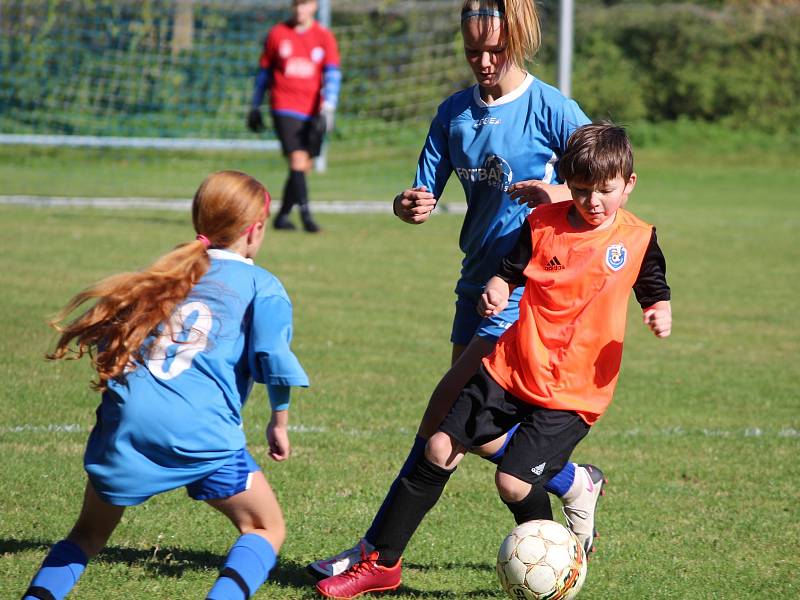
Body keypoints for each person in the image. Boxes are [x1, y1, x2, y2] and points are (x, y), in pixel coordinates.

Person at [308, 0, 601, 581]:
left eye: (495, 51)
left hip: (523, 292)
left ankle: (375, 556)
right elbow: (422, 190)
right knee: (475, 431)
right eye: (474, 52)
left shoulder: (552, 108)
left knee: (443, 418)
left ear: (516, 42)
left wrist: (558, 199)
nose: (484, 61)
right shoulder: (454, 114)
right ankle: (570, 492)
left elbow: (605, 193)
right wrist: (408, 204)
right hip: (474, 285)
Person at [316, 122, 672, 598]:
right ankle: (383, 564)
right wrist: (497, 288)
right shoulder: (542, 224)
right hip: (511, 367)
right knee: (439, 447)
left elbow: (654, 288)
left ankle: (557, 567)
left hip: (573, 390)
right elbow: (508, 271)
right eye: (582, 191)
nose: (592, 202)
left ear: (628, 184)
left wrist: (657, 311)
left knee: (512, 481)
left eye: (604, 191)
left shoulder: (639, 238)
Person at [21, 171, 309, 600]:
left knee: (86, 535)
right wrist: (279, 422)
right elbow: (272, 357)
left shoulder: (165, 275)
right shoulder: (261, 285)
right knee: (265, 527)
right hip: (199, 429)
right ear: (255, 230)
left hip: (127, 420)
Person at [247, 0, 341, 233]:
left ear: (314, 7)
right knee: (298, 160)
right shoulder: (278, 34)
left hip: (312, 111)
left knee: (303, 166)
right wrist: (255, 105)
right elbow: (264, 74)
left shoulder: (323, 36)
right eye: (296, 4)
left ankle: (282, 216)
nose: (300, 10)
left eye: (305, 4)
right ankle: (307, 216)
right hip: (283, 106)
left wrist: (328, 107)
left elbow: (332, 74)